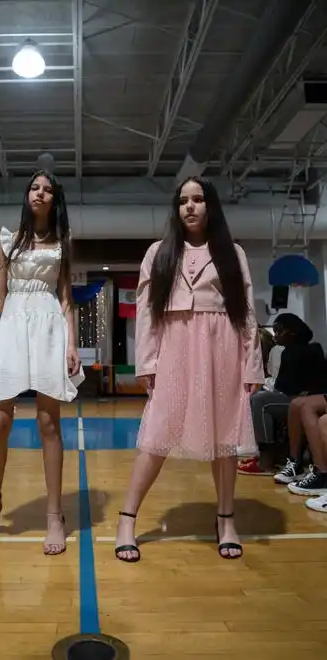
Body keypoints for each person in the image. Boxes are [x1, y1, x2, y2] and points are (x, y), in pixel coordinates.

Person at [114, 176, 264, 563]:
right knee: (157, 434)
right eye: (184, 201)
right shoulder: (158, 253)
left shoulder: (233, 253)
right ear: (176, 208)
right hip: (176, 346)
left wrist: (251, 366)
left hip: (222, 348)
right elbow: (147, 312)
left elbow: (246, 312)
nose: (191, 207)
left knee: (225, 437)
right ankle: (127, 520)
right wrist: (147, 362)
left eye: (198, 199)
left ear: (210, 206)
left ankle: (226, 519)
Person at [0, 170, 82, 552]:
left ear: (55, 199)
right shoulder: (9, 240)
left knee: (49, 422)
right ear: (27, 195)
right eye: (35, 187)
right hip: (12, 327)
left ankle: (55, 515)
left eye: (48, 189)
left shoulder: (63, 243)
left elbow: (66, 298)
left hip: (49, 325)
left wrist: (72, 344)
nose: (40, 193)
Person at [240, 314, 327, 477]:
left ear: (292, 332)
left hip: (305, 398)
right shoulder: (303, 350)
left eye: (279, 330)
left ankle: (266, 459)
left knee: (260, 401)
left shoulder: (297, 352)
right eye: (274, 331)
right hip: (300, 397)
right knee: (258, 397)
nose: (276, 335)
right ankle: (268, 455)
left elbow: (286, 386)